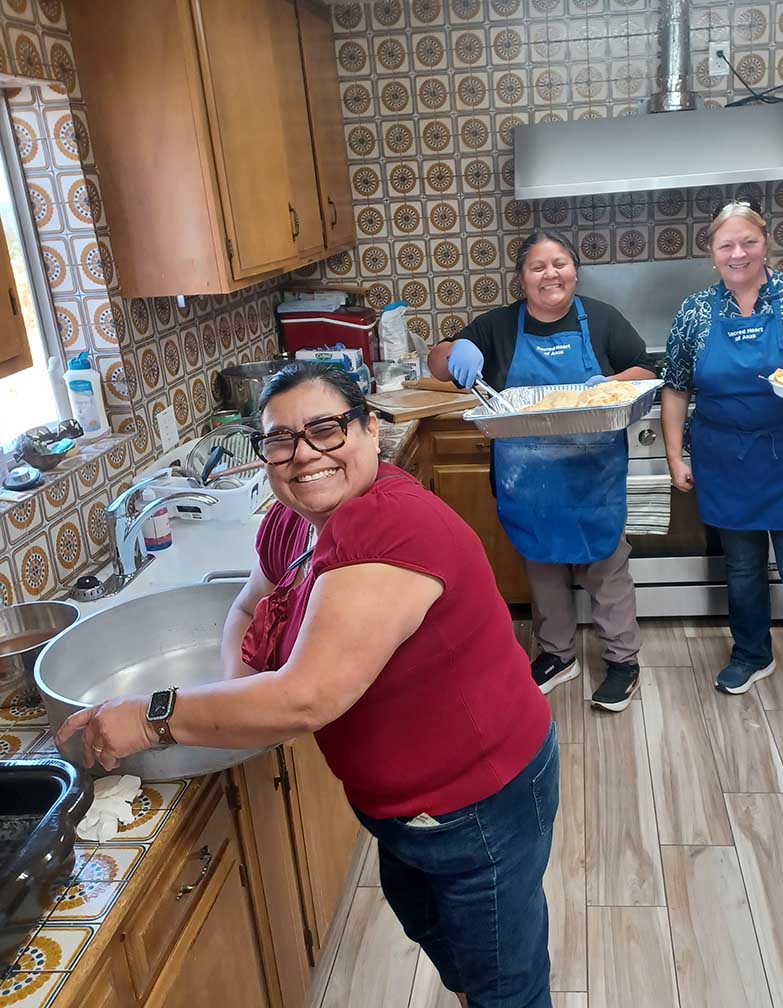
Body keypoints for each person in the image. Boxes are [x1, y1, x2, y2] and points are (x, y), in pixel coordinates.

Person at [57, 362, 558, 1008]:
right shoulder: (293, 524)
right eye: (281, 440)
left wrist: (155, 717)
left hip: (478, 805)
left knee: (506, 991)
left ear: (371, 429)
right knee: (455, 955)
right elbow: (244, 607)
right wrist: (235, 694)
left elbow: (305, 696)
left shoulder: (391, 528)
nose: (304, 455)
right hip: (406, 809)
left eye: (326, 429)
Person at [428, 231, 656, 713]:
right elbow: (439, 363)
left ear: (574, 270)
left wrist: (609, 383)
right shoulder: (499, 327)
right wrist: (454, 354)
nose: (551, 274)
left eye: (560, 264)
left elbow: (643, 369)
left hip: (591, 478)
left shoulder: (603, 320)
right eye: (538, 267)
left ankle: (622, 660)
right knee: (543, 567)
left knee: (606, 569)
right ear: (521, 279)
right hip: (527, 481)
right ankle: (557, 655)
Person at [661, 199, 783, 740]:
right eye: (726, 245)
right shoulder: (695, 311)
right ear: (711, 254)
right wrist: (676, 454)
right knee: (743, 570)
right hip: (724, 458)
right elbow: (676, 387)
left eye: (747, 241)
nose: (738, 253)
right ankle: (752, 654)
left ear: (764, 242)